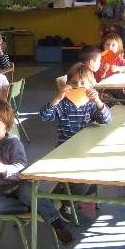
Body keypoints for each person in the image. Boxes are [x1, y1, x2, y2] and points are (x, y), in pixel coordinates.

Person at [0, 100, 75, 246]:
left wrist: (5, 169)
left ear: (6, 126)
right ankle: (34, 205)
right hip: (0, 191)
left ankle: (59, 226)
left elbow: (21, 165)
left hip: (20, 184)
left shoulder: (13, 143)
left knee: (27, 193)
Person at [40, 63, 113, 222]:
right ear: (67, 84)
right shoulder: (63, 104)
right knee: (85, 180)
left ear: (91, 86)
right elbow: (44, 116)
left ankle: (61, 193)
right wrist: (57, 98)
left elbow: (107, 120)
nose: (78, 86)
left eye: (82, 83)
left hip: (85, 151)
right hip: (65, 151)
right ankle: (67, 203)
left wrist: (98, 101)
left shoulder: (90, 104)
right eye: (74, 83)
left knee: (95, 181)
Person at [96, 32, 125, 103]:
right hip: (103, 88)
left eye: (113, 45)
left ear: (118, 48)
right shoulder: (98, 59)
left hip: (117, 88)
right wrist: (104, 70)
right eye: (107, 44)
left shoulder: (119, 60)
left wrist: (119, 68)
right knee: (110, 102)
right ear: (103, 45)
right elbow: (98, 78)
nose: (109, 47)